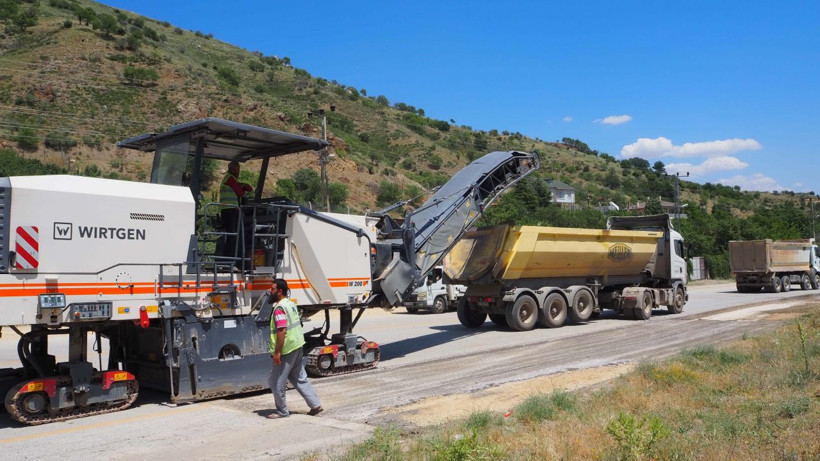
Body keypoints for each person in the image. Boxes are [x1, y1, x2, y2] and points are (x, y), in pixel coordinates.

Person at [267, 278, 323, 418]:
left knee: (276, 381)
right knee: (299, 377)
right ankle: (315, 405)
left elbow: (281, 331)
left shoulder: (279, 309)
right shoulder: (290, 304)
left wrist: (277, 352)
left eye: (272, 289)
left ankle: (282, 411)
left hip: (287, 349)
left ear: (279, 291)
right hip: (297, 346)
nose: (270, 291)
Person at [219, 161, 253, 259]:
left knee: (233, 236)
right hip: (229, 210)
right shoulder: (229, 178)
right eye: (235, 169)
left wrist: (243, 184)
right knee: (232, 236)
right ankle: (228, 260)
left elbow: (250, 188)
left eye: (238, 169)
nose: (237, 171)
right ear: (230, 169)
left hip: (231, 210)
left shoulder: (233, 179)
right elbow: (240, 193)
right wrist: (241, 187)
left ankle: (230, 259)